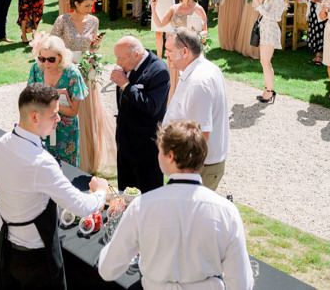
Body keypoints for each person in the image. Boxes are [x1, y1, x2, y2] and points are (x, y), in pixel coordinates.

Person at [98, 120, 253, 289]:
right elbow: (241, 284)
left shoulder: (142, 207)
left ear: (170, 156)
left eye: (159, 151)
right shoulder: (227, 212)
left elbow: (108, 270)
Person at [0, 84, 108, 290]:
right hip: (36, 258)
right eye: (54, 115)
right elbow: (81, 207)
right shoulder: (41, 162)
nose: (58, 119)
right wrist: (100, 191)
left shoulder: (3, 142)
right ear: (35, 117)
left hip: (6, 247)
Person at [51, 0, 114, 174]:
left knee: (87, 114)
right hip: (67, 71)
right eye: (86, 5)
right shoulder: (62, 20)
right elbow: (52, 44)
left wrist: (95, 46)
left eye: (91, 5)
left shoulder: (93, 21)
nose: (90, 8)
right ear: (76, 4)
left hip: (86, 72)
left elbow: (92, 47)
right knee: (68, 112)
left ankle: (88, 158)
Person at [163, 29, 229, 190]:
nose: (166, 55)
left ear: (185, 51)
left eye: (169, 51)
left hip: (197, 168)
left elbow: (201, 134)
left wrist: (181, 167)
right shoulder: (203, 69)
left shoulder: (199, 82)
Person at [110, 36, 170, 193]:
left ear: (136, 54)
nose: (118, 62)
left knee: (148, 194)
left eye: (120, 58)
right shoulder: (126, 66)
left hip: (145, 147)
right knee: (125, 191)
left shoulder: (159, 71)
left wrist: (125, 85)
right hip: (125, 142)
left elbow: (151, 107)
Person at [27, 35, 88, 166]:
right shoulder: (36, 69)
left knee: (66, 170)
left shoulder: (72, 74)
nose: (45, 64)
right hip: (42, 126)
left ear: (61, 57)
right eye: (42, 58)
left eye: (51, 59)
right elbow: (29, 100)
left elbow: (73, 112)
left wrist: (48, 102)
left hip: (65, 132)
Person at [153, 0, 208, 101]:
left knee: (191, 82)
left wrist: (198, 38)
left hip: (191, 52)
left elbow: (205, 32)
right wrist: (153, 7)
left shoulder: (198, 9)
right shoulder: (174, 8)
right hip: (174, 51)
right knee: (174, 81)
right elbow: (160, 24)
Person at [251, 0, 287, 104]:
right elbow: (261, 9)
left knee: (265, 62)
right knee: (264, 62)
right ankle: (268, 89)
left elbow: (275, 17)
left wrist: (260, 6)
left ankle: (270, 91)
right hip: (264, 30)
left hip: (270, 31)